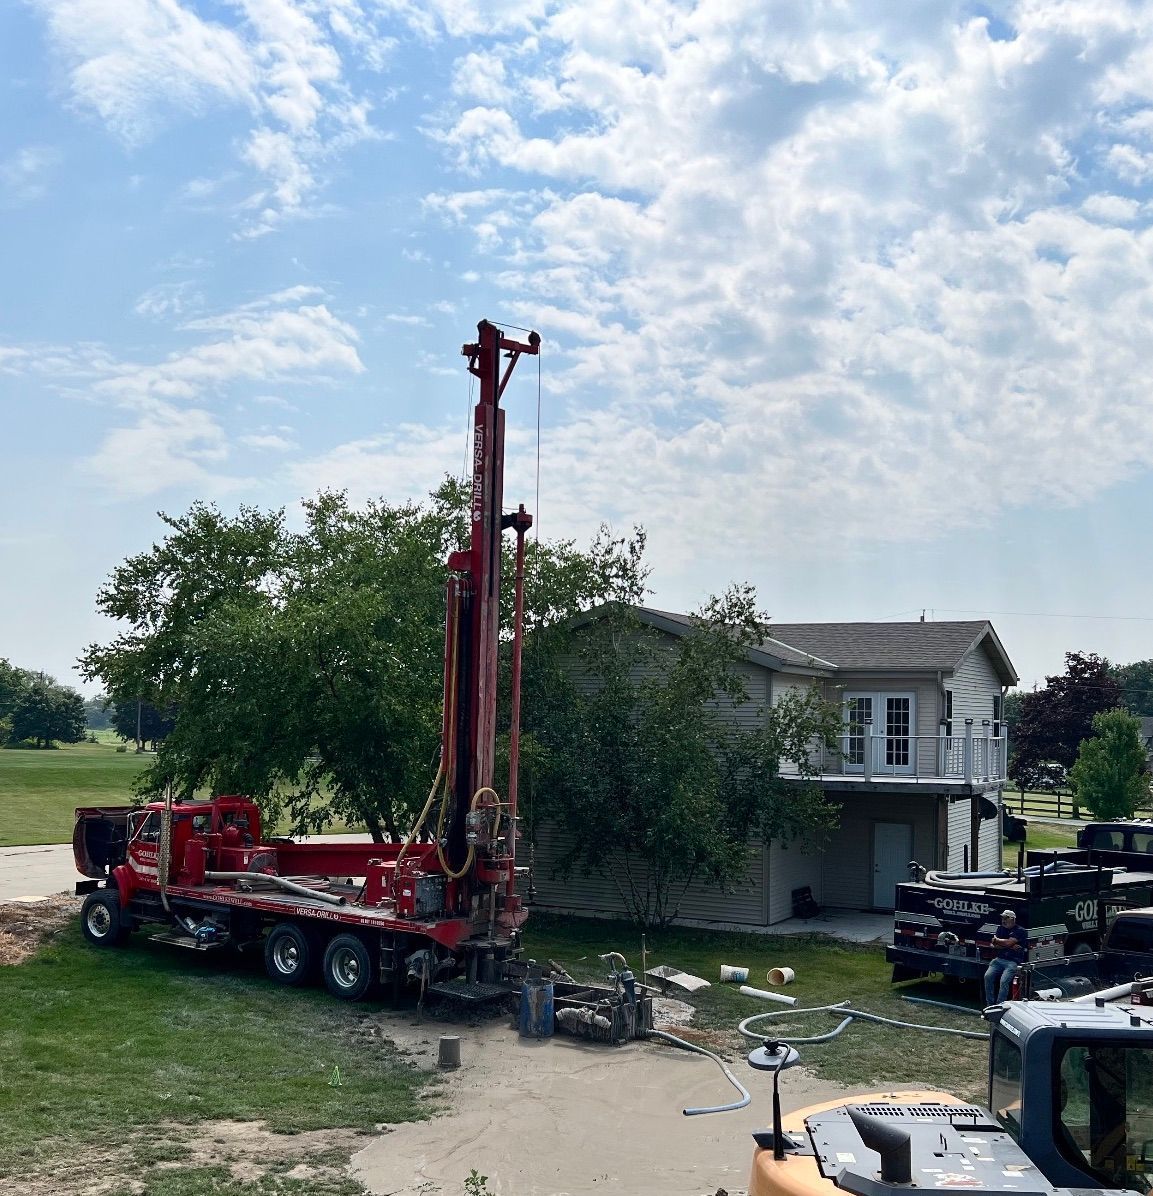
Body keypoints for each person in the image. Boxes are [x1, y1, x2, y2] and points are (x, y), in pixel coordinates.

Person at [984, 909, 1027, 1003]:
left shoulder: (1020, 931)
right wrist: (1011, 946)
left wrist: (1000, 942)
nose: (1003, 920)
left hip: (1012, 961)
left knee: (1003, 981)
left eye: (1006, 918)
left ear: (1013, 919)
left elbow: (1006, 943)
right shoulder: (1000, 928)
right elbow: (994, 945)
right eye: (1002, 918)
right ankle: (989, 1003)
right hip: (998, 960)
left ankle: (1000, 1004)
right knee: (987, 976)